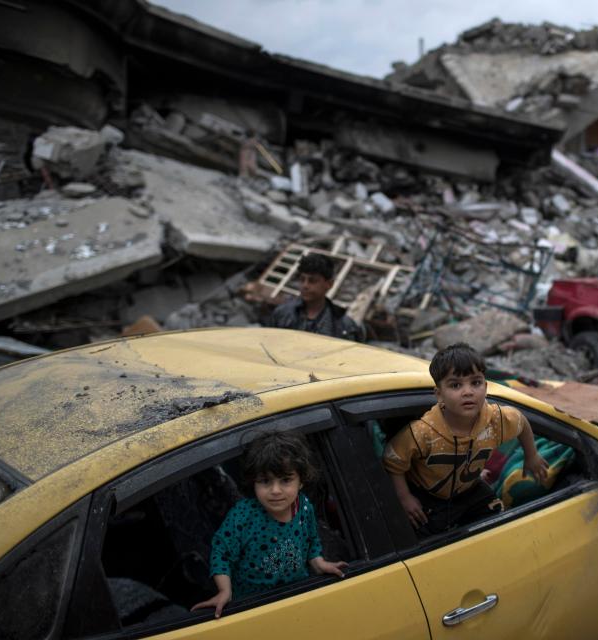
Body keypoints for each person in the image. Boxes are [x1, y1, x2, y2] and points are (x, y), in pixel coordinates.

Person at [383, 342, 548, 535]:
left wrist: (532, 456)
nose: (468, 391)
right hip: (429, 495)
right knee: (425, 539)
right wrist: (404, 497)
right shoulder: (422, 433)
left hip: (470, 489)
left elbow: (521, 423)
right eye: (455, 385)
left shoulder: (496, 420)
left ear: (485, 387)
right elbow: (392, 460)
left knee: (501, 526)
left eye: (475, 383)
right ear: (439, 395)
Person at [191, 431, 347, 618]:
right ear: (253, 482)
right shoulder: (243, 515)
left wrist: (319, 563)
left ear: (301, 481)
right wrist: (225, 591)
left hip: (298, 596)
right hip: (253, 606)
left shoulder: (304, 507)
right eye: (265, 481)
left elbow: (312, 541)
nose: (275, 490)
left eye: (286, 480)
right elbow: (221, 552)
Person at [268, 253, 364, 342]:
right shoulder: (282, 314)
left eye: (312, 281)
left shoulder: (344, 325)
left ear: (329, 284)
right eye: (302, 280)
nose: (305, 285)